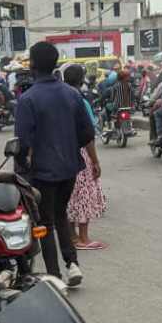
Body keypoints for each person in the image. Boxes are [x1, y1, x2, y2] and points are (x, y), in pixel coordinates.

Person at [14, 41, 98, 286]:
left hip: (41, 172)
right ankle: (72, 264)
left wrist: (23, 166)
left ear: (32, 65)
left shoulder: (28, 99)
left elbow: (21, 142)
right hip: (69, 168)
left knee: (45, 222)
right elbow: (86, 133)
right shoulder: (72, 94)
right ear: (54, 65)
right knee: (61, 213)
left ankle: (55, 277)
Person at [62, 64, 107, 250]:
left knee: (69, 196)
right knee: (84, 194)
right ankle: (83, 238)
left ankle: (72, 237)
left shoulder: (59, 98)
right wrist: (95, 161)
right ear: (82, 80)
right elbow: (88, 135)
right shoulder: (81, 101)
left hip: (62, 152)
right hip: (80, 153)